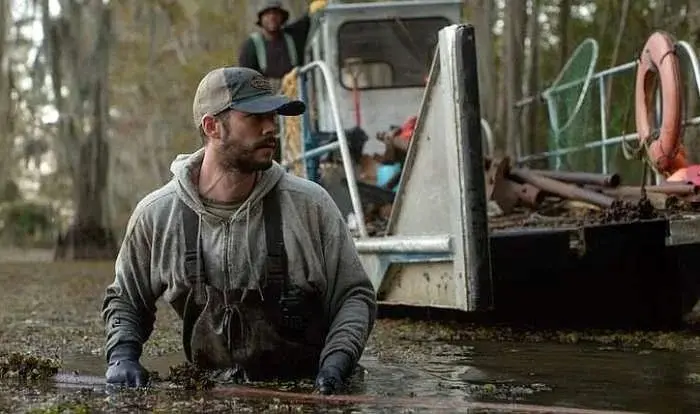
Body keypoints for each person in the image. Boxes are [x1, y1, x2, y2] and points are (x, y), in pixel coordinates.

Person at [101, 66, 377, 395]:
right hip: (209, 392)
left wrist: (337, 361)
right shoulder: (157, 216)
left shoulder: (310, 206)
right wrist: (122, 356)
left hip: (313, 391)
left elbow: (354, 296)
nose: (270, 128)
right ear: (212, 126)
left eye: (273, 116)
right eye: (254, 117)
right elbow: (125, 299)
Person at [238, 1, 326, 90]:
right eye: (267, 14)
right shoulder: (251, 46)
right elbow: (246, 80)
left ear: (282, 17)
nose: (272, 17)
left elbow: (308, 19)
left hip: (297, 94)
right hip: (267, 98)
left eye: (276, 13)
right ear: (261, 19)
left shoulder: (293, 37)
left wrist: (316, 7)